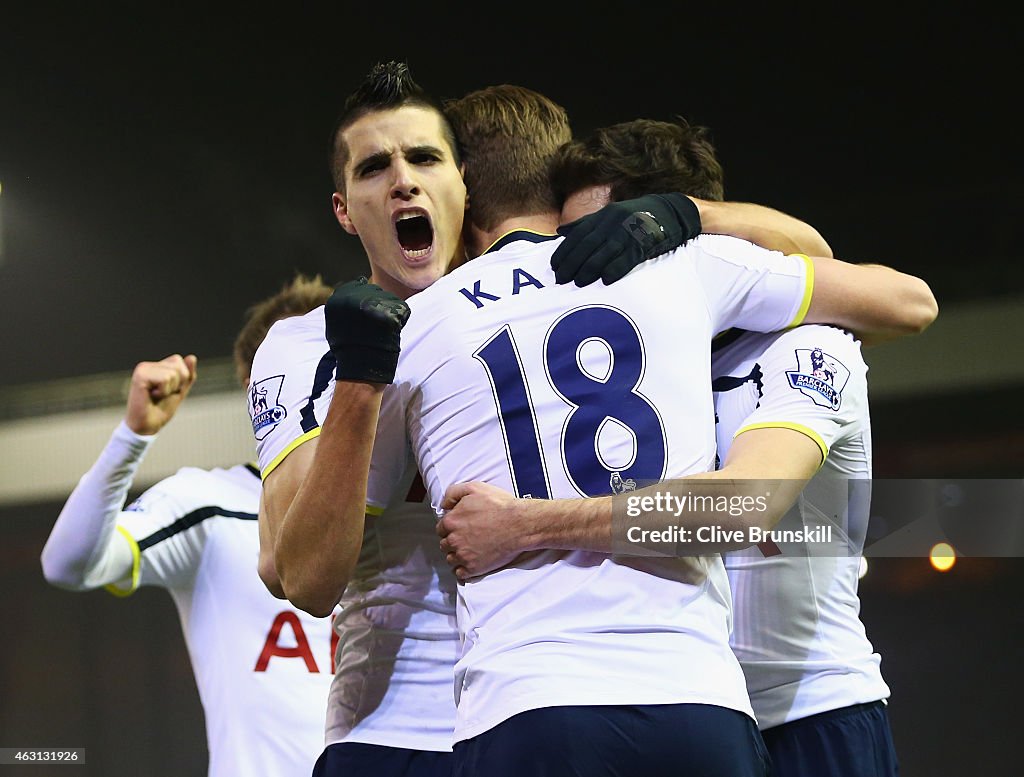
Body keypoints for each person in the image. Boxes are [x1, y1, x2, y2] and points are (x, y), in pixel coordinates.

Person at [319, 84, 935, 776]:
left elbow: (742, 502)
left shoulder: (793, 343)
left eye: (597, 233)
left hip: (812, 712)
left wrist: (526, 525)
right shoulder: (676, 314)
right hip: (706, 705)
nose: (582, 256)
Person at [251, 61, 464, 777]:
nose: (403, 179)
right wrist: (362, 374)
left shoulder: (532, 304)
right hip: (391, 731)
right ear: (344, 209)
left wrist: (695, 216)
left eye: (425, 157)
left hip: (543, 710)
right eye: (375, 167)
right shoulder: (302, 344)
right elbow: (305, 577)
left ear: (461, 181)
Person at [39, 273, 336, 777]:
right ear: (255, 387)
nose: (321, 380)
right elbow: (67, 564)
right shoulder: (210, 503)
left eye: (331, 360)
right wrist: (132, 438)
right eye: (299, 364)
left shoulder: (404, 506)